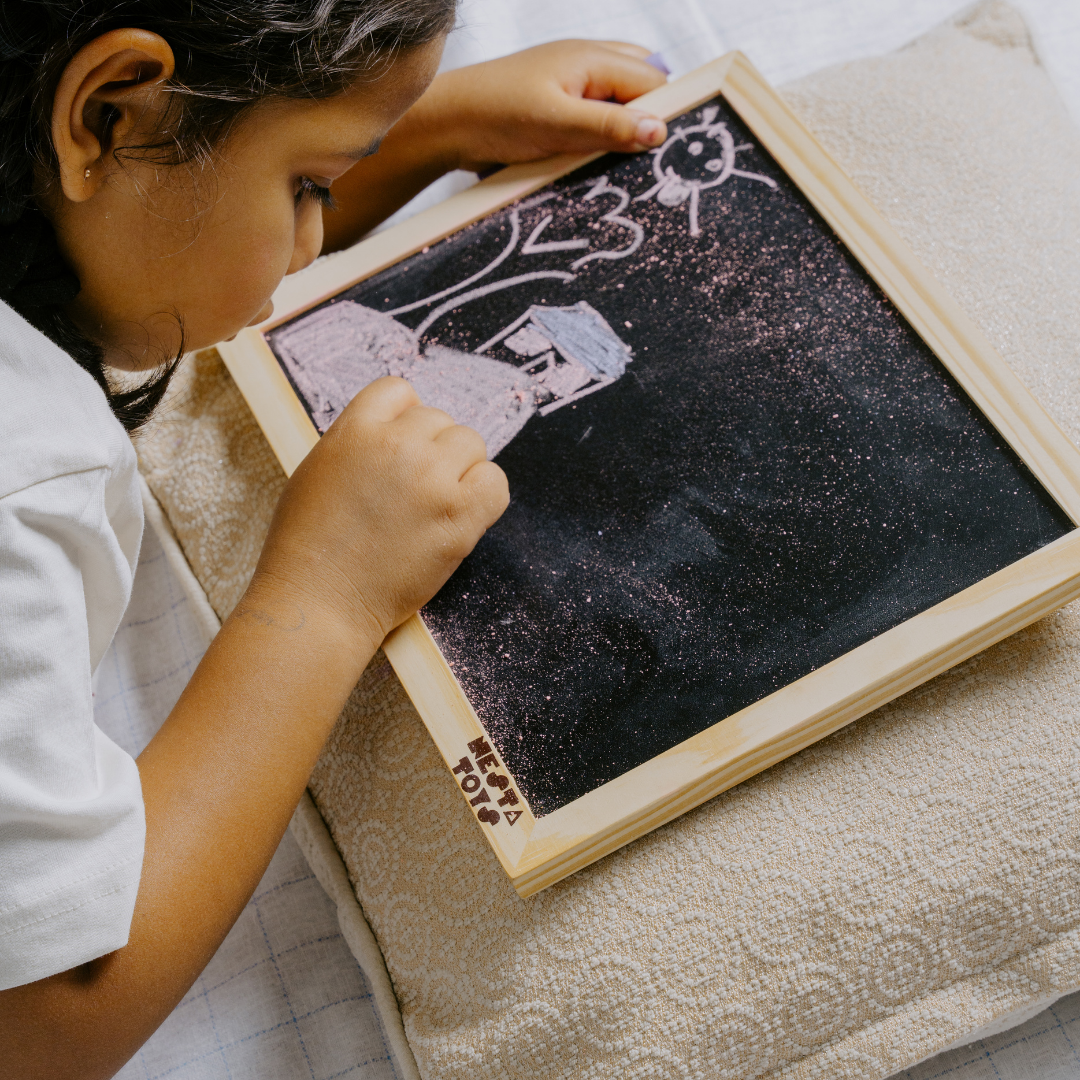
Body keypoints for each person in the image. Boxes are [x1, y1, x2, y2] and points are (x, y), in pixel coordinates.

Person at [0, 2, 668, 1075]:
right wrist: (322, 596)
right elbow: (39, 1022)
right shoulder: (26, 476)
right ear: (109, 111)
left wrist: (417, 132)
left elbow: (156, 202)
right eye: (307, 185)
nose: (311, 239)